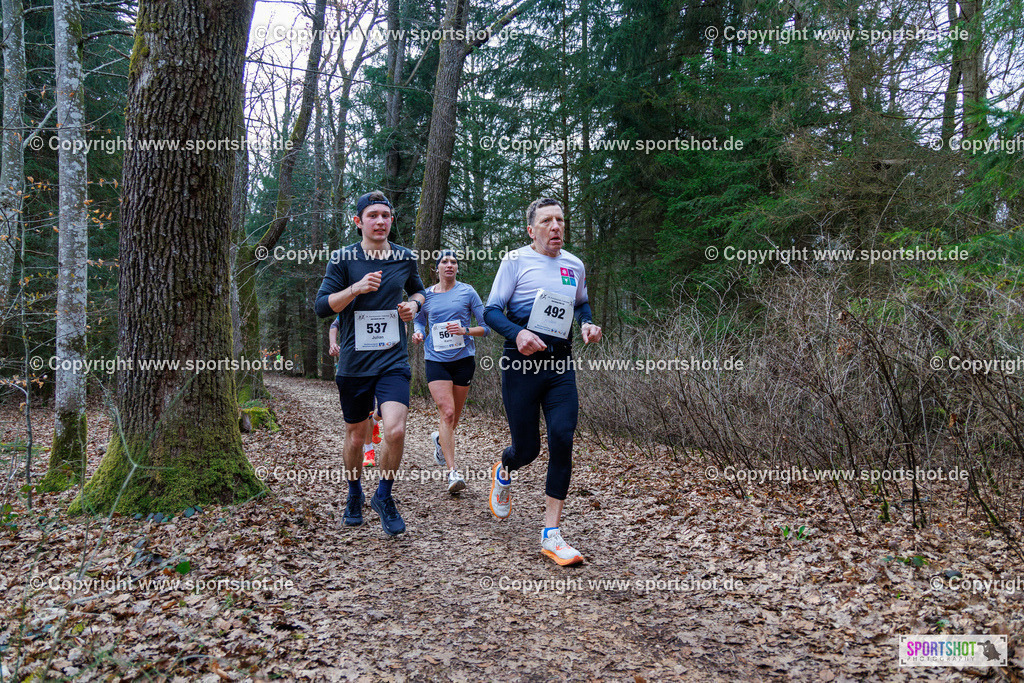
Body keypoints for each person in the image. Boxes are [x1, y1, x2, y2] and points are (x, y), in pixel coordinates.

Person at [483, 197, 602, 566]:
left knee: (563, 438)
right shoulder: (515, 260)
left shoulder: (574, 264)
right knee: (528, 450)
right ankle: (505, 468)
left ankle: (551, 534)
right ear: (531, 230)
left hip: (560, 367)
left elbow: (581, 302)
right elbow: (490, 312)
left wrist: (586, 322)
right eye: (547, 221)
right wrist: (518, 334)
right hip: (521, 367)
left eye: (561, 220)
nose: (556, 227)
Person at [315, 190, 426, 536]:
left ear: (392, 220)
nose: (380, 221)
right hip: (354, 363)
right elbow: (322, 306)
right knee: (355, 435)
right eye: (373, 215)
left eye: (385, 216)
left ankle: (384, 495)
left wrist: (415, 306)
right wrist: (356, 289)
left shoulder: (405, 258)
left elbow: (420, 290)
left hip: (392, 359)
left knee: (394, 429)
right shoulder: (344, 259)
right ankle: (353, 493)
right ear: (358, 221)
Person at [411, 250, 489, 494]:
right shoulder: (425, 296)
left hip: (463, 360)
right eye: (444, 262)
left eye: (453, 262)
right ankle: (453, 473)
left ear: (457, 268)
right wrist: (419, 332)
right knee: (447, 413)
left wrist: (465, 330)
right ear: (437, 268)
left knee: (453, 419)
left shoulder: (467, 292)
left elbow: (486, 327)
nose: (449, 265)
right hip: (436, 360)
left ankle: (439, 440)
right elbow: (418, 320)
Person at [330, 317, 382, 466]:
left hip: (385, 363)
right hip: (359, 367)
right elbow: (335, 324)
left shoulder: (383, 302)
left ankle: (374, 421)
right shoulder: (353, 304)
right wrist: (333, 344)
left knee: (385, 409)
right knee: (366, 413)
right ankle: (369, 451)